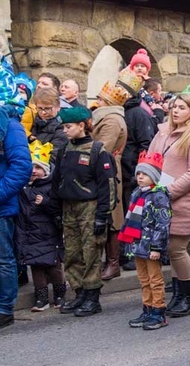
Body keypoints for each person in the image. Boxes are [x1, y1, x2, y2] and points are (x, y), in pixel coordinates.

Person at [147, 93, 190, 317]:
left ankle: (188, 297)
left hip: (184, 200)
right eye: (174, 106)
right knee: (171, 250)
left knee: (177, 248)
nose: (176, 111)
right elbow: (150, 157)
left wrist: (168, 192)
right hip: (160, 198)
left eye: (182, 108)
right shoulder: (163, 132)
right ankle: (179, 295)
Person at [52, 106, 115, 317]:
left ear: (82, 125)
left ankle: (92, 296)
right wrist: (56, 209)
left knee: (91, 252)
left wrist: (102, 216)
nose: (65, 130)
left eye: (68, 126)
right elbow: (56, 181)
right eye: (63, 126)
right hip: (68, 206)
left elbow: (107, 186)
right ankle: (79, 292)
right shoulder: (64, 150)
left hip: (90, 207)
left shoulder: (97, 151)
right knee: (71, 252)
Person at [119, 151, 172, 329]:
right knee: (143, 279)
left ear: (155, 176)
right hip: (138, 244)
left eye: (145, 174)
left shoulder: (159, 196)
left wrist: (157, 247)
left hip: (151, 246)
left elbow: (162, 224)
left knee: (155, 279)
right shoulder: (137, 193)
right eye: (139, 174)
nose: (140, 177)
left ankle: (158, 312)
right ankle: (147, 309)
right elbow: (130, 220)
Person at [16, 141, 66, 311]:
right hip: (30, 233)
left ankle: (60, 294)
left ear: (45, 170)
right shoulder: (23, 189)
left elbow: (58, 209)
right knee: (36, 266)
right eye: (31, 168)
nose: (33, 171)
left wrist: (46, 203)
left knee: (54, 267)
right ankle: (41, 297)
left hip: (49, 233)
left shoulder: (51, 187)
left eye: (38, 167)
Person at [0, 94, 34, 327]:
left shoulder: (10, 125)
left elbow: (22, 166)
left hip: (2, 207)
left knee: (3, 259)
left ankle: (4, 309)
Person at [92, 80, 129, 281]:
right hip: (106, 168)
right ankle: (109, 261)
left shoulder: (112, 120)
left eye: (100, 98)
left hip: (108, 170)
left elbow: (102, 147)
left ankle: (113, 262)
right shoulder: (106, 117)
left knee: (113, 216)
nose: (97, 102)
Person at [120, 68, 157, 271]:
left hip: (132, 173)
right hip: (122, 172)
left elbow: (146, 144)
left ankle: (133, 253)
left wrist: (139, 173)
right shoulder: (121, 111)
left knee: (134, 215)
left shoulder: (138, 115)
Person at [29, 87, 68, 158]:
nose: (43, 112)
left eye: (47, 109)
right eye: (40, 108)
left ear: (58, 106)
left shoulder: (63, 129)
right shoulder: (31, 121)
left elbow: (54, 158)